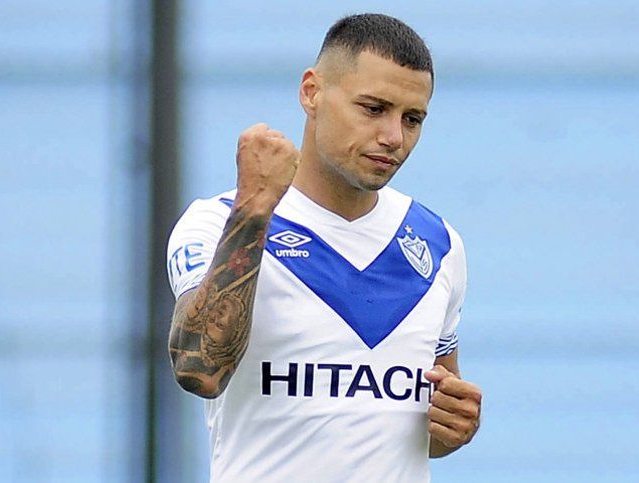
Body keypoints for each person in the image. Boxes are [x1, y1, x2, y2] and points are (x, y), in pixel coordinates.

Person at [166, 13, 482, 482]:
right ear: (311, 92)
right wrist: (254, 211)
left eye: (412, 119)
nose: (394, 137)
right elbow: (200, 370)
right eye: (373, 108)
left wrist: (454, 426)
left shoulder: (438, 244)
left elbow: (426, 418)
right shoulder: (220, 222)